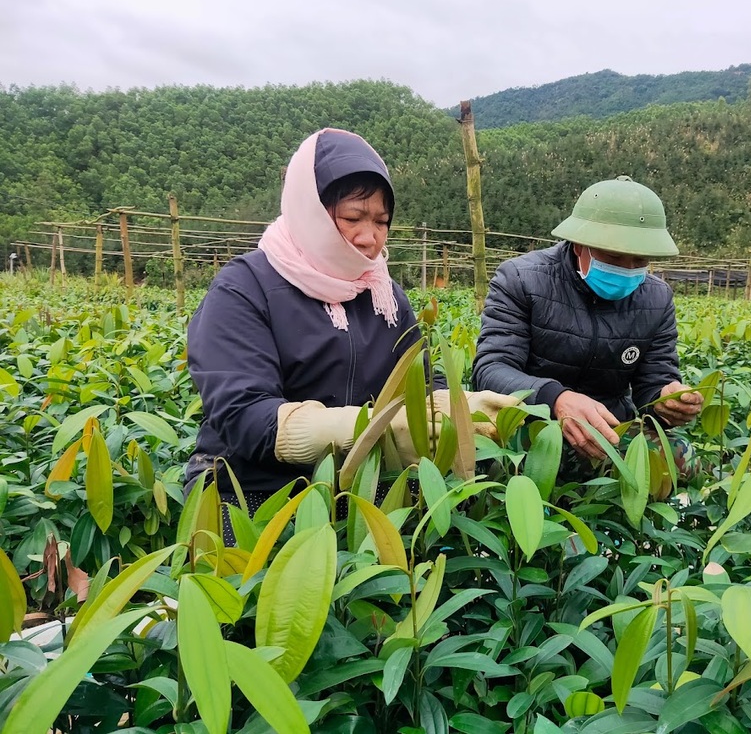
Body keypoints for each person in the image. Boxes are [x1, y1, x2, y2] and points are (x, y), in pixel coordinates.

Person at [185, 128, 516, 521]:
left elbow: (423, 381)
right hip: (251, 486)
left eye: (381, 221)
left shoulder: (384, 295)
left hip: (364, 481)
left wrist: (454, 410)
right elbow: (245, 417)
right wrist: (370, 430)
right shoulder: (244, 288)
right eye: (353, 217)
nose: (369, 238)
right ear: (310, 212)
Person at [472, 175, 702, 471]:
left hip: (608, 430)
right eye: (614, 256)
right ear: (579, 244)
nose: (627, 269)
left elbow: (654, 380)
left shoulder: (655, 299)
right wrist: (556, 399)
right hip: (529, 426)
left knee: (682, 459)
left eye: (640, 260)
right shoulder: (521, 279)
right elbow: (491, 370)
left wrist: (666, 399)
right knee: (506, 469)